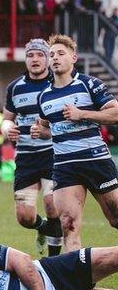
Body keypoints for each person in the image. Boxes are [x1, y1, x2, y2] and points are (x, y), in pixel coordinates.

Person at [32, 34, 118, 253]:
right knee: (68, 225)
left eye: (61, 53)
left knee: (116, 218)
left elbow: (115, 113)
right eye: (51, 55)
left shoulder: (89, 84)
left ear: (74, 57)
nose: (55, 58)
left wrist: (82, 114)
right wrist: (39, 131)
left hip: (96, 160)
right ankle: (76, 283)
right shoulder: (44, 97)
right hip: (65, 166)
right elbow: (47, 128)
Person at [2, 38, 62, 257]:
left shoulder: (58, 84)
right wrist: (7, 129)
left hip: (52, 154)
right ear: (25, 59)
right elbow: (7, 119)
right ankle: (44, 229)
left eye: (39, 55)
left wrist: (47, 132)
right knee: (25, 217)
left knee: (52, 204)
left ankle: (53, 261)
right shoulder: (15, 88)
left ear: (47, 58)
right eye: (30, 55)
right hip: (26, 158)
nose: (35, 59)